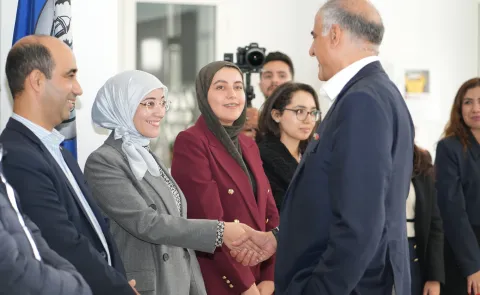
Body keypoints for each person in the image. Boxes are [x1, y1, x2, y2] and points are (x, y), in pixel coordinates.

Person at [232, 1, 414, 294]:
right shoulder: (378, 93)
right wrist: (279, 237)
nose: (311, 50)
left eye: (314, 36)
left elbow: (360, 224)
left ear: (335, 35)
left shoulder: (361, 102)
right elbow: (334, 198)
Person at [84, 70, 260, 295]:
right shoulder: (104, 161)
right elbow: (147, 223)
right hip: (148, 287)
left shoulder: (148, 157)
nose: (159, 112)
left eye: (162, 103)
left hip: (178, 284)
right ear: (122, 106)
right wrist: (219, 231)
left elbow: (180, 235)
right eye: (149, 103)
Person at [0, 35, 138, 295]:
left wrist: (119, 280)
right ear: (37, 81)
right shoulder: (16, 156)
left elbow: (99, 232)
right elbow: (61, 243)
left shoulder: (60, 152)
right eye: (69, 75)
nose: (78, 88)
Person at [171, 61, 280, 295]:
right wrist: (245, 286)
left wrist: (270, 277)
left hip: (259, 279)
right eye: (220, 87)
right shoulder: (192, 142)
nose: (232, 95)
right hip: (222, 282)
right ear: (203, 95)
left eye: (238, 87)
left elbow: (270, 214)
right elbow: (210, 223)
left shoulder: (248, 145)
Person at [0, 148, 92, 295]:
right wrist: (75, 286)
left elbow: (30, 232)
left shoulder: (63, 153)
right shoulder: (20, 154)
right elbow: (10, 269)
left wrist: (72, 276)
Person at [435, 77, 480, 295]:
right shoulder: (449, 148)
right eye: (468, 102)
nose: (476, 108)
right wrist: (473, 265)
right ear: (459, 108)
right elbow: (453, 211)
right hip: (463, 251)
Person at [256, 82, 320, 210]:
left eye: (313, 112)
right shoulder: (261, 158)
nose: (308, 120)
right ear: (276, 115)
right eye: (299, 111)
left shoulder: (316, 154)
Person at [407, 144, 444, 295]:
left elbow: (434, 224)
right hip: (377, 256)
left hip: (413, 254)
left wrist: (434, 278)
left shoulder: (420, 159)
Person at [243, 51, 294, 139]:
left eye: (282, 76)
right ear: (260, 84)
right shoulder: (253, 118)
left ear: (292, 82)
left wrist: (262, 125)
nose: (274, 80)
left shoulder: (305, 116)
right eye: (268, 76)